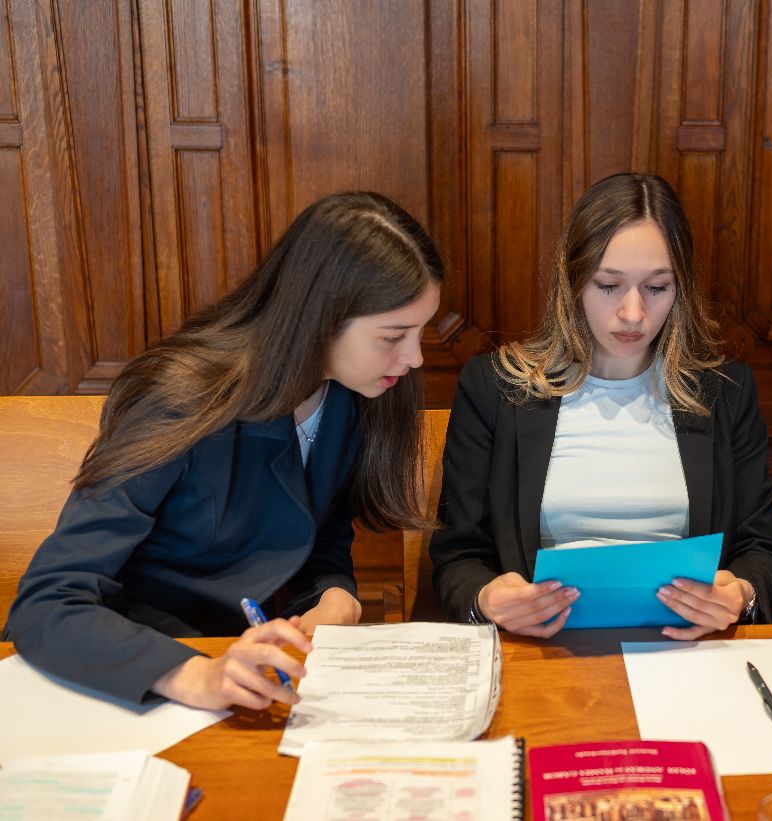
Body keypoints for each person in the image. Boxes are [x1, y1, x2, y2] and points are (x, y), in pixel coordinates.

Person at [3, 191, 444, 708]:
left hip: (243, 666)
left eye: (421, 331)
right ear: (320, 317)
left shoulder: (353, 398)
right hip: (130, 673)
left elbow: (320, 536)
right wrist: (192, 675)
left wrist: (335, 596)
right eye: (393, 336)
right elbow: (47, 602)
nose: (415, 357)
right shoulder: (181, 398)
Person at [430, 172, 772, 638]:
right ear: (573, 282)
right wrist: (487, 599)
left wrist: (740, 595)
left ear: (680, 289)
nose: (633, 314)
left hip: (683, 652)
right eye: (607, 285)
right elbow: (458, 557)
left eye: (657, 287)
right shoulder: (496, 388)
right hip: (545, 649)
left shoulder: (725, 392)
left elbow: (764, 555)